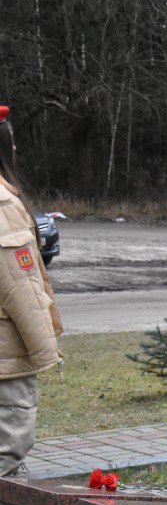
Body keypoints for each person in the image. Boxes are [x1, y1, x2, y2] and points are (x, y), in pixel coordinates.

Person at [0, 105, 61, 478]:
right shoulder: (4, 206)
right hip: (6, 361)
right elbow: (21, 289)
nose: (17, 149)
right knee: (8, 453)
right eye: (12, 141)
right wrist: (45, 353)